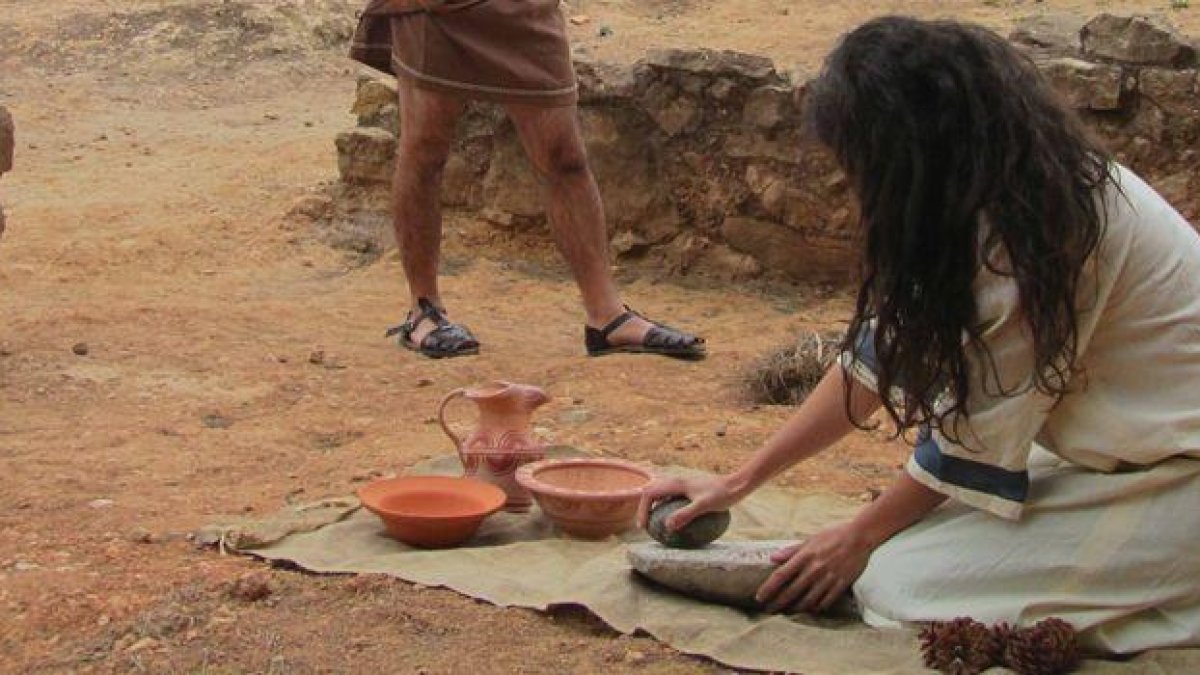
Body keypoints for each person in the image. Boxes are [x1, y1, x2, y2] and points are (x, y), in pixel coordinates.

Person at [639, 16, 1200, 654]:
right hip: (1123, 458)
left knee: (896, 582)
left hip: (1184, 475)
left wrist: (857, 539)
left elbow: (971, 448)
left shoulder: (1045, 231)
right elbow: (876, 361)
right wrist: (738, 482)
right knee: (900, 544)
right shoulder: (985, 196)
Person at [348, 0, 705, 359]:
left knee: (564, 157)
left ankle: (607, 317)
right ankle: (424, 310)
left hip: (522, 9)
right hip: (435, 11)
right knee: (425, 149)